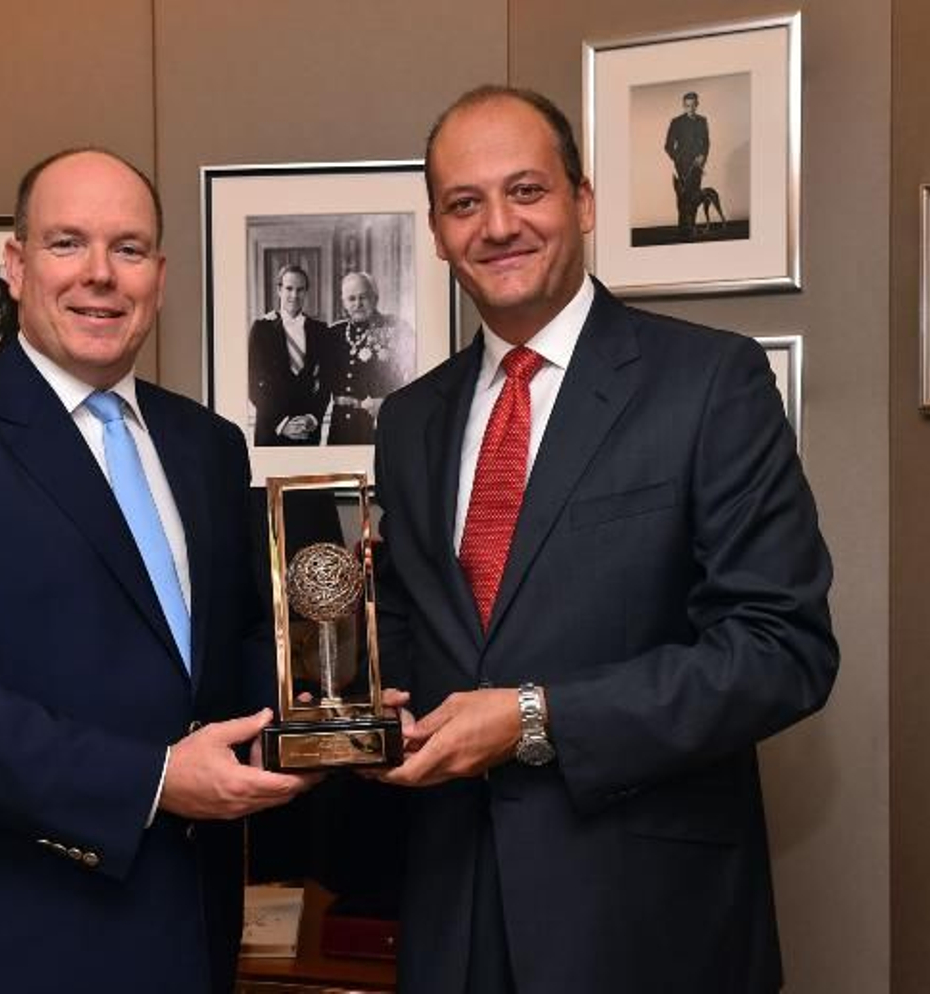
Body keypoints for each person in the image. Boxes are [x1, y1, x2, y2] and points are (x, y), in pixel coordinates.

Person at [370, 86, 837, 994]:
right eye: (465, 204)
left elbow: (784, 651)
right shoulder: (410, 419)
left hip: (647, 919)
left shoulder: (710, 383)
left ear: (582, 203)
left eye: (526, 191)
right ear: (436, 231)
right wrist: (360, 704)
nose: (498, 225)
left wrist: (535, 718)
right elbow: (410, 622)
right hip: (453, 912)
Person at [0, 148, 316, 994]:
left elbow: (221, 654)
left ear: (159, 277)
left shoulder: (206, 445)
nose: (100, 275)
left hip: (190, 929)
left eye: (128, 249)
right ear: (16, 266)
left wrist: (323, 697)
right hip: (9, 938)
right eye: (68, 244)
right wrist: (155, 781)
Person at [247, 263, 333, 445]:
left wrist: (312, 418)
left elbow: (326, 383)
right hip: (272, 430)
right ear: (279, 290)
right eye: (289, 288)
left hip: (307, 431)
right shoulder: (261, 329)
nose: (294, 295)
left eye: (300, 290)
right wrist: (282, 424)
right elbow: (253, 383)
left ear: (306, 292)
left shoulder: (320, 330)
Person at [324, 271, 412, 445]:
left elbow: (416, 376)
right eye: (351, 299)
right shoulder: (334, 333)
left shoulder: (397, 328)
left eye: (363, 297)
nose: (358, 304)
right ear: (343, 303)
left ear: (375, 298)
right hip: (343, 427)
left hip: (380, 424)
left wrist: (388, 405)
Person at [664, 91, 710, 238]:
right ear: (683, 106)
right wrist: (678, 159)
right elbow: (668, 146)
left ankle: (692, 228)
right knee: (683, 198)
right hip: (682, 166)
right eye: (686, 105)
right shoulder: (676, 122)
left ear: (697, 105)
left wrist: (703, 156)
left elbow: (706, 142)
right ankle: (683, 229)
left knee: (694, 197)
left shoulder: (703, 120)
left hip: (697, 166)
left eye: (692, 105)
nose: (689, 108)